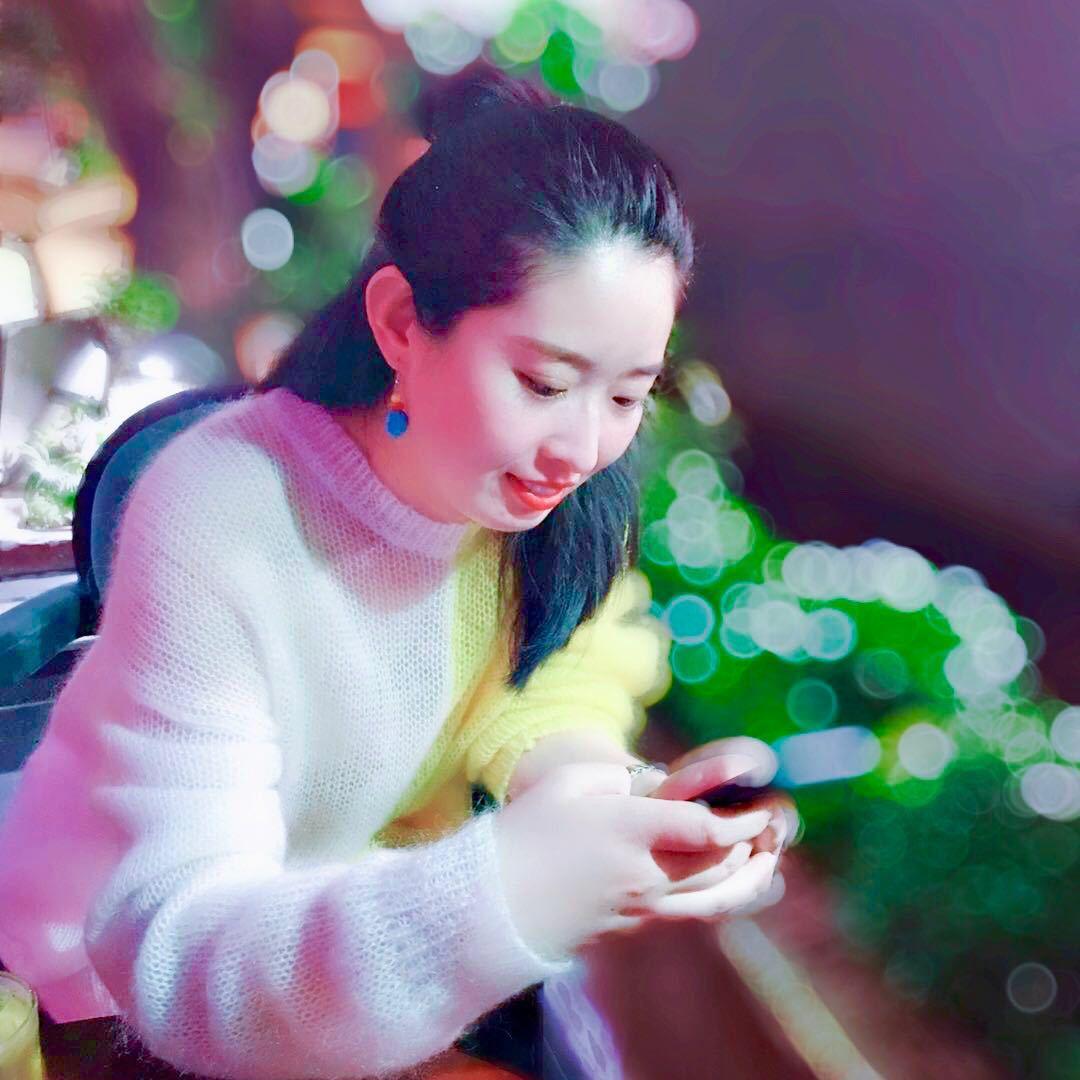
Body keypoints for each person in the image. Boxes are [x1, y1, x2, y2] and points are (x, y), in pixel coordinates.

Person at [0, 62, 788, 1078]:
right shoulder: (223, 511)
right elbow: (181, 965)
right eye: (544, 382)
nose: (583, 447)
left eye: (628, 395)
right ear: (402, 324)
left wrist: (590, 787)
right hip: (110, 1003)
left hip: (358, 950)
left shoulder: (543, 499)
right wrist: (522, 882)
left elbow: (568, 653)